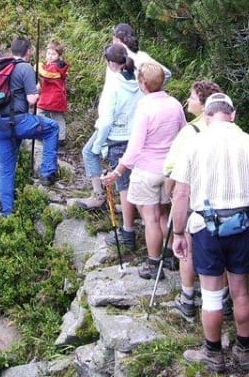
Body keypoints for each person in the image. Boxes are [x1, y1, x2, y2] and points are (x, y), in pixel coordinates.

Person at [171, 93, 249, 373]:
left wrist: (179, 233)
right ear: (234, 113)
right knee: (240, 292)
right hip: (243, 226)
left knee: (211, 295)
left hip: (206, 228)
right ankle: (244, 350)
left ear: (207, 115)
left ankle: (213, 354)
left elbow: (181, 193)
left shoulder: (194, 144)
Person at [101, 61, 185, 278]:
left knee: (150, 218)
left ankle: (153, 263)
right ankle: (170, 256)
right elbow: (184, 134)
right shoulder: (175, 104)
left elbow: (135, 147)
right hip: (170, 169)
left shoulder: (145, 107)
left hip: (147, 170)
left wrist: (117, 172)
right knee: (165, 212)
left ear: (143, 83)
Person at [163, 79, 223, 319]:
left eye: (193, 98)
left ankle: (187, 298)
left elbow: (171, 169)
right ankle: (224, 299)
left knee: (185, 245)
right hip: (222, 198)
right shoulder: (228, 130)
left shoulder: (191, 132)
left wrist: (171, 194)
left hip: (192, 197)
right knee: (221, 249)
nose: (189, 101)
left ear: (204, 104)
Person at [75, 43, 143, 228]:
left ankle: (99, 197)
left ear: (111, 63)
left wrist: (99, 145)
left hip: (115, 134)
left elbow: (106, 121)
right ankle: (136, 207)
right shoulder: (139, 78)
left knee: (91, 153)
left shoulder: (113, 84)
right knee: (129, 174)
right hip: (136, 132)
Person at [0, 37, 60, 216]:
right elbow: (32, 99)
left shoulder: (2, 67)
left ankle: (6, 213)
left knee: (5, 168)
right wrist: (36, 90)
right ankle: (47, 172)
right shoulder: (25, 67)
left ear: (11, 50)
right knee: (52, 128)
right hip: (20, 122)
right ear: (28, 51)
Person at [37, 40, 69, 143]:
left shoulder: (54, 67)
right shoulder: (59, 66)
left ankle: (43, 133)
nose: (50, 56)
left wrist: (38, 66)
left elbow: (45, 74)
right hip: (57, 97)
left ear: (59, 55)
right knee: (58, 117)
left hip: (51, 97)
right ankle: (61, 137)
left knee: (41, 113)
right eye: (48, 53)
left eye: (53, 54)